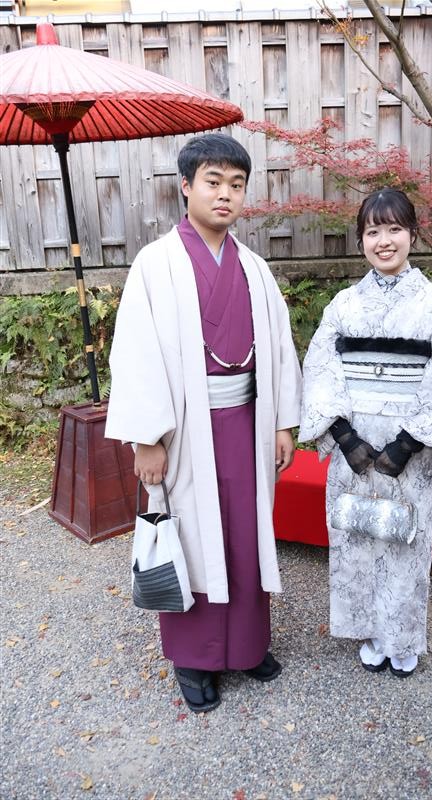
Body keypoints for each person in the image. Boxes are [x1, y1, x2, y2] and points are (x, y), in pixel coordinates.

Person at [105, 133, 301, 712]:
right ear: (185, 186)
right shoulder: (155, 264)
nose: (225, 195)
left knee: (246, 532)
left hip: (246, 422)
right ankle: (194, 658)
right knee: (190, 534)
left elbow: (279, 350)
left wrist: (282, 423)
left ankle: (247, 645)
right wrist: (146, 439)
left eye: (237, 185)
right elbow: (135, 354)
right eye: (213, 182)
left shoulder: (255, 269)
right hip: (185, 429)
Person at [299, 188, 432, 678]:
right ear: (361, 240)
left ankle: (402, 639)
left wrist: (407, 444)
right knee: (356, 536)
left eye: (394, 229)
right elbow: (320, 371)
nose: (384, 241)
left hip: (412, 449)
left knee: (406, 542)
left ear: (412, 235)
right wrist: (344, 437)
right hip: (354, 445)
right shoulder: (344, 305)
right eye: (373, 231)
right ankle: (370, 632)